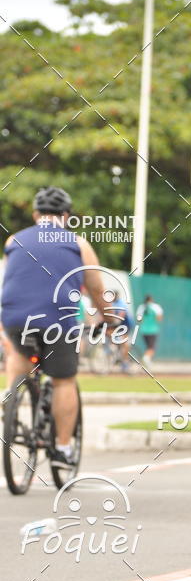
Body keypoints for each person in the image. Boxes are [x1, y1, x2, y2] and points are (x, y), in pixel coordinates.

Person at [1, 186, 109, 469]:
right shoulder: (78, 244)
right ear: (66, 216)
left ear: (36, 215)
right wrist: (110, 321)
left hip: (14, 316)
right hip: (56, 320)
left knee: (18, 353)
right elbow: (97, 290)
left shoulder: (13, 240)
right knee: (63, 381)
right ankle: (62, 449)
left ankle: (11, 397)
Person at [136, 294, 163, 367]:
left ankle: (148, 361)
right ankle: (146, 358)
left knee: (148, 347)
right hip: (153, 330)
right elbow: (159, 318)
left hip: (144, 330)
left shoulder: (141, 307)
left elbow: (139, 319)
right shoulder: (156, 307)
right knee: (151, 348)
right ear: (151, 299)